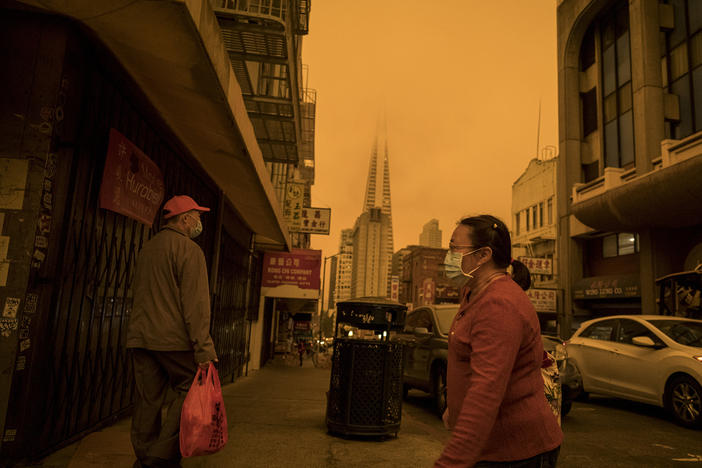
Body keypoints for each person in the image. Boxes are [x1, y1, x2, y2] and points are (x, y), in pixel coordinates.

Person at [434, 215, 562, 468]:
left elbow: (486, 392)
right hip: (492, 449)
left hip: (516, 453)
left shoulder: (498, 305)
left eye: (453, 249)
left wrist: (450, 462)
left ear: (483, 255)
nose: (448, 257)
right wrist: (455, 407)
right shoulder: (472, 292)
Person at [127, 195, 218, 468]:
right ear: (185, 219)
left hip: (141, 337)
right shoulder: (189, 250)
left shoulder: (149, 248)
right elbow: (196, 305)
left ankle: (144, 456)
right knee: (192, 390)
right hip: (173, 340)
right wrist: (203, 348)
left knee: (147, 400)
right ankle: (160, 455)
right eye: (197, 216)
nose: (200, 221)